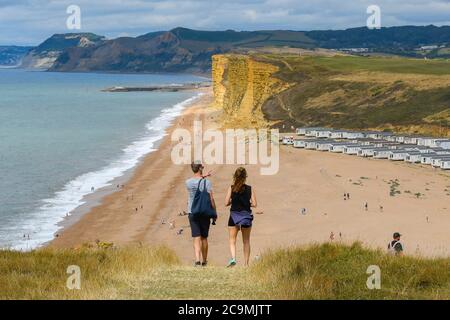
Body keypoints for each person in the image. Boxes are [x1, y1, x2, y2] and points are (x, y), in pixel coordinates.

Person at [225, 167, 258, 267]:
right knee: (246, 241)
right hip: (246, 216)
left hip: (234, 216)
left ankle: (233, 259)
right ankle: (246, 264)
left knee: (232, 240)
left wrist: (233, 201)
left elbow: (226, 203)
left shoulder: (231, 188)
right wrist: (247, 204)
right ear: (245, 177)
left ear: (235, 176)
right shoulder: (250, 189)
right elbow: (255, 204)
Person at [185, 162, 216, 267]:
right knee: (204, 237)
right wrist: (214, 212)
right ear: (199, 168)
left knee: (196, 237)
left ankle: (197, 260)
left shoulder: (188, 182)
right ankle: (204, 261)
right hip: (204, 212)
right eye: (202, 167)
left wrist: (203, 175)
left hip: (192, 211)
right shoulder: (207, 183)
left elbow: (195, 180)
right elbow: (211, 199)